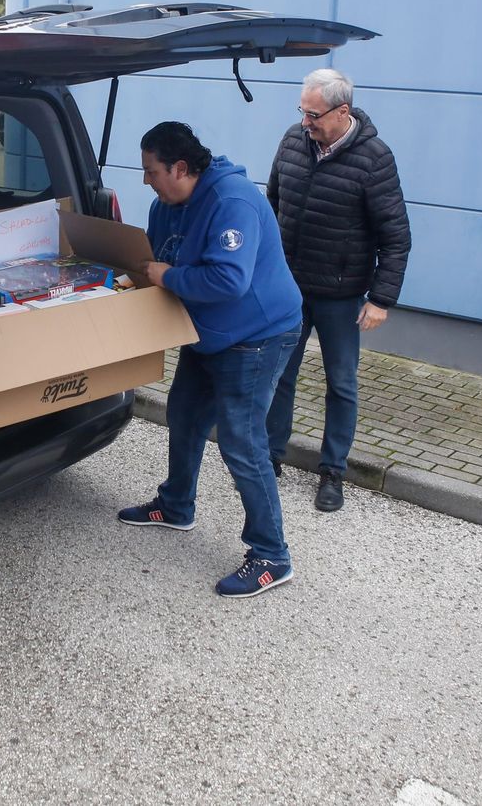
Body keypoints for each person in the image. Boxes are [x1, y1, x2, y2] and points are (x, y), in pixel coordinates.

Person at [119, 122, 304, 598]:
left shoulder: (232, 201)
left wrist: (167, 276)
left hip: (258, 334)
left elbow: (228, 280)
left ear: (181, 168)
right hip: (206, 331)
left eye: (151, 171)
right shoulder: (167, 204)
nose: (146, 180)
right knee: (183, 414)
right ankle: (176, 505)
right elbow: (157, 260)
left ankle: (272, 555)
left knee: (241, 441)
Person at [266, 68, 412, 512]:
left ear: (342, 111)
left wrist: (381, 299)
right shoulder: (293, 141)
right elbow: (274, 204)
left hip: (341, 293)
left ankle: (332, 472)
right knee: (279, 374)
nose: (305, 122)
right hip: (290, 287)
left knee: (341, 383)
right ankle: (269, 458)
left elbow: (396, 236)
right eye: (302, 111)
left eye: (313, 115)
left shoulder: (374, 158)